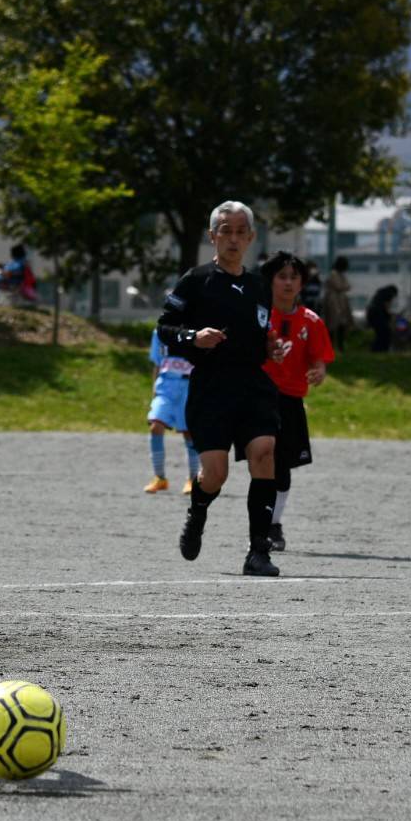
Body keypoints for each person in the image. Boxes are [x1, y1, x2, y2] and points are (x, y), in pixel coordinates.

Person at [157, 200, 286, 577]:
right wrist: (193, 336)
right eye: (225, 231)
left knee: (264, 453)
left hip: (253, 385)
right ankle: (197, 513)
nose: (233, 239)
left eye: (240, 232)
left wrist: (271, 348)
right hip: (211, 388)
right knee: (215, 474)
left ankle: (258, 552)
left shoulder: (259, 285)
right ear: (212, 236)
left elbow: (262, 332)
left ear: (251, 237)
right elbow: (164, 329)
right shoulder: (196, 280)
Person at [259, 252, 336, 551]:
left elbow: (319, 359)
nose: (288, 283)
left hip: (290, 399)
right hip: (259, 396)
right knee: (262, 457)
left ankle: (274, 523)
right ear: (270, 281)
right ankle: (261, 522)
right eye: (282, 276)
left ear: (302, 283)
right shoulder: (259, 316)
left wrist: (319, 371)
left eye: (294, 277)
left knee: (282, 464)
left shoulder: (311, 321)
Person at [144, 326, 201, 495]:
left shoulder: (197, 330)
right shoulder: (160, 332)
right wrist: (154, 391)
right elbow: (157, 363)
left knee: (189, 433)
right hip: (166, 386)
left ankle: (192, 479)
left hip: (189, 386)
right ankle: (159, 477)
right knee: (155, 426)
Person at [322, 256, 354, 347]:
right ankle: (331, 344)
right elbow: (340, 286)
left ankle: (340, 344)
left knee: (342, 323)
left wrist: (344, 287)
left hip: (340, 300)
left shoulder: (341, 275)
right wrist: (344, 287)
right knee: (333, 323)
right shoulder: (334, 274)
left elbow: (347, 286)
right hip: (333, 301)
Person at [366, 284, 398, 353]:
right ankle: (381, 349)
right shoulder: (388, 294)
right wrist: (390, 316)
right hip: (378, 315)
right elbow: (386, 307)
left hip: (371, 314)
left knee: (380, 334)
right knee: (385, 332)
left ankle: (376, 350)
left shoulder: (380, 294)